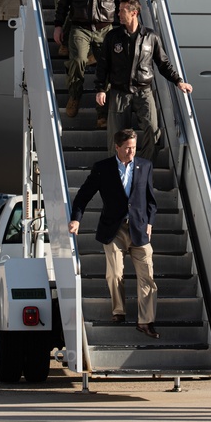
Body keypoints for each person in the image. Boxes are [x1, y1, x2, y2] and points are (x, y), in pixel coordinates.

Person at [69, 129, 160, 338]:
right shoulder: (103, 168)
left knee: (147, 277)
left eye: (134, 148)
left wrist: (150, 222)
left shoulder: (144, 166)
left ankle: (145, 321)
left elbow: (151, 200)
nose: (131, 152)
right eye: (128, 148)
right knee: (115, 273)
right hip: (114, 229)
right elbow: (83, 196)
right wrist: (76, 219)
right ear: (117, 147)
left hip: (139, 228)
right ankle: (119, 311)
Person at [94, 0, 192, 161]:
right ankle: (118, 172)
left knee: (152, 129)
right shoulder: (113, 36)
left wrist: (178, 81)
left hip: (143, 91)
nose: (118, 13)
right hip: (119, 92)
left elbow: (163, 63)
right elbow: (103, 65)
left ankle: (143, 168)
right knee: (116, 136)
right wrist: (100, 89)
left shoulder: (150, 37)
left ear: (134, 13)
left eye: (122, 10)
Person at [53, 0, 127, 126]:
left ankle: (102, 113)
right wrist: (58, 26)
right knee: (77, 61)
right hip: (80, 27)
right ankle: (74, 96)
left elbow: (123, 3)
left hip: (105, 29)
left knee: (107, 70)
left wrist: (128, 29)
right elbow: (64, 2)